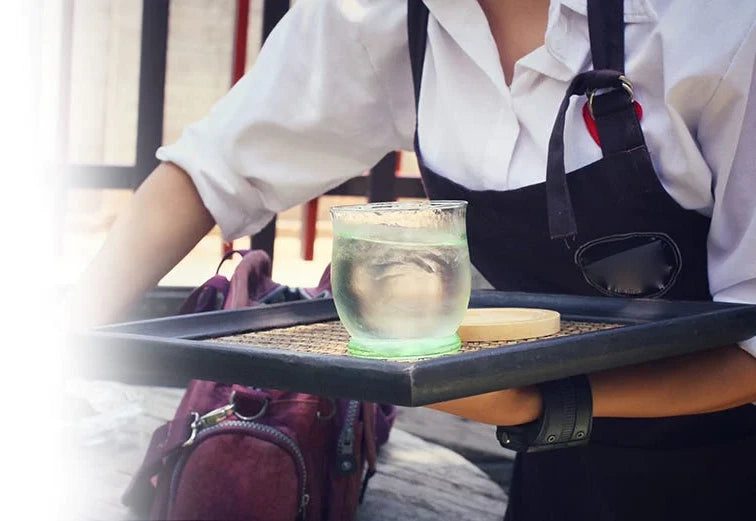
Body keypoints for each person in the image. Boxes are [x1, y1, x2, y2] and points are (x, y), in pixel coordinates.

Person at [68, 0, 756, 519]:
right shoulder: (384, 17)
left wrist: (540, 402)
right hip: (557, 470)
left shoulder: (712, 26)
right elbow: (208, 171)